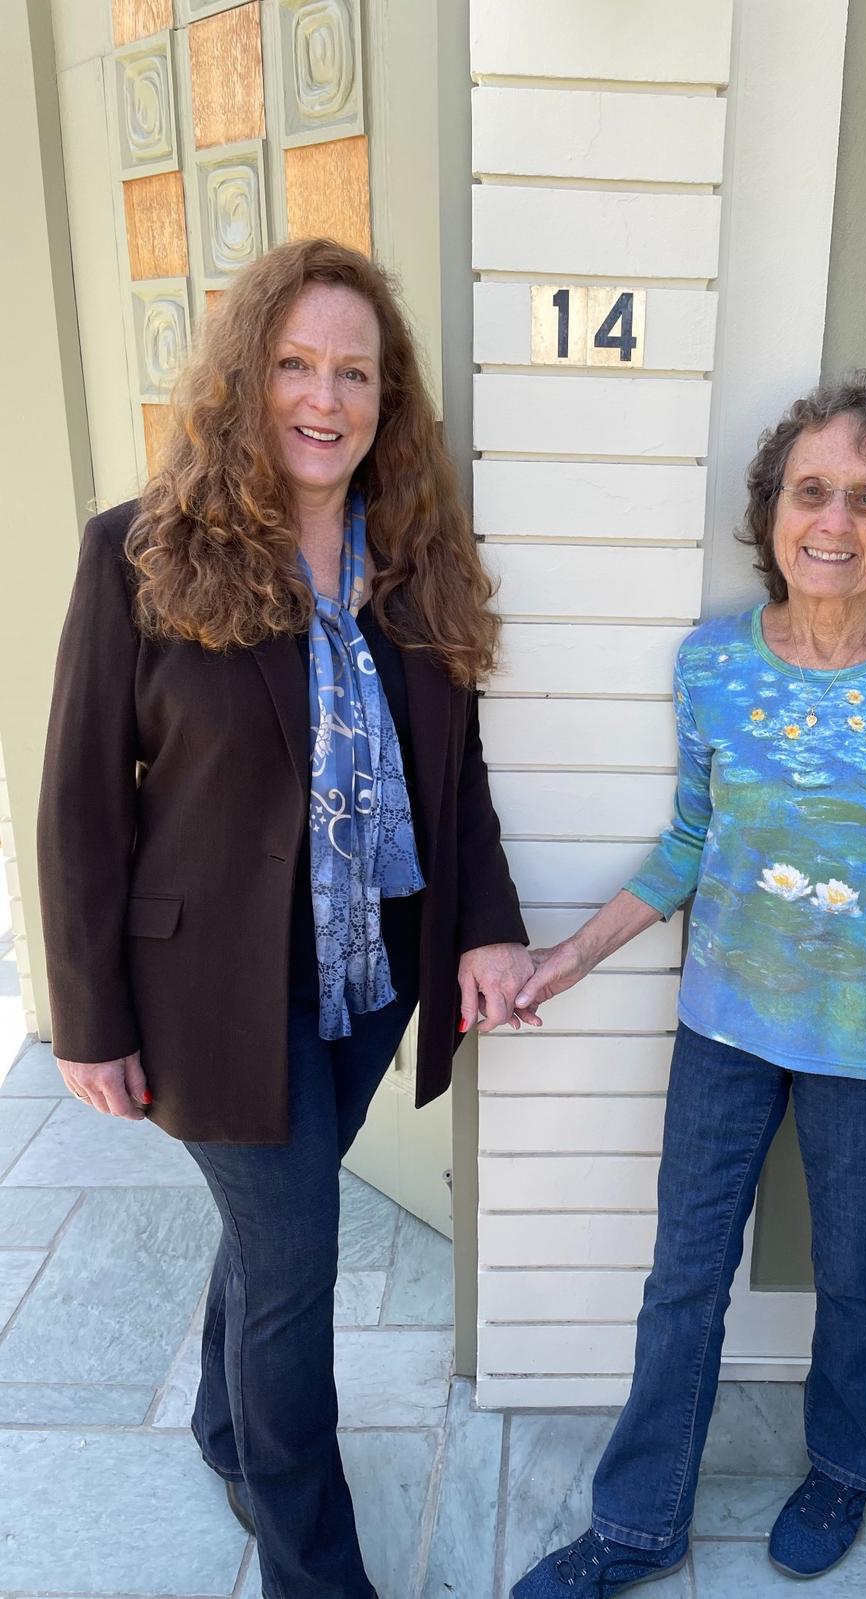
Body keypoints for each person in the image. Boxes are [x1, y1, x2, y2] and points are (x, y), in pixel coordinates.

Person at [38, 237, 534, 1599]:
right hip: (206, 990)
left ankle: (223, 1428)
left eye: (354, 372)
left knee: (274, 1235)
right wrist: (88, 1018)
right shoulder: (141, 553)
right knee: (299, 1265)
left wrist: (487, 923)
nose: (325, 397)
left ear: (386, 397)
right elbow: (79, 801)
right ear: (245, 378)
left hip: (370, 978)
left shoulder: (416, 560)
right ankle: (316, 1570)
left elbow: (457, 770)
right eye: (295, 364)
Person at [511, 374, 866, 1593]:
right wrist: (570, 956)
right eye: (811, 491)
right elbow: (691, 842)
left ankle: (847, 1467)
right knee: (684, 1275)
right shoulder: (714, 666)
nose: (833, 522)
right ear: (772, 509)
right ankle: (638, 1524)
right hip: (724, 1026)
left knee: (858, 1273)